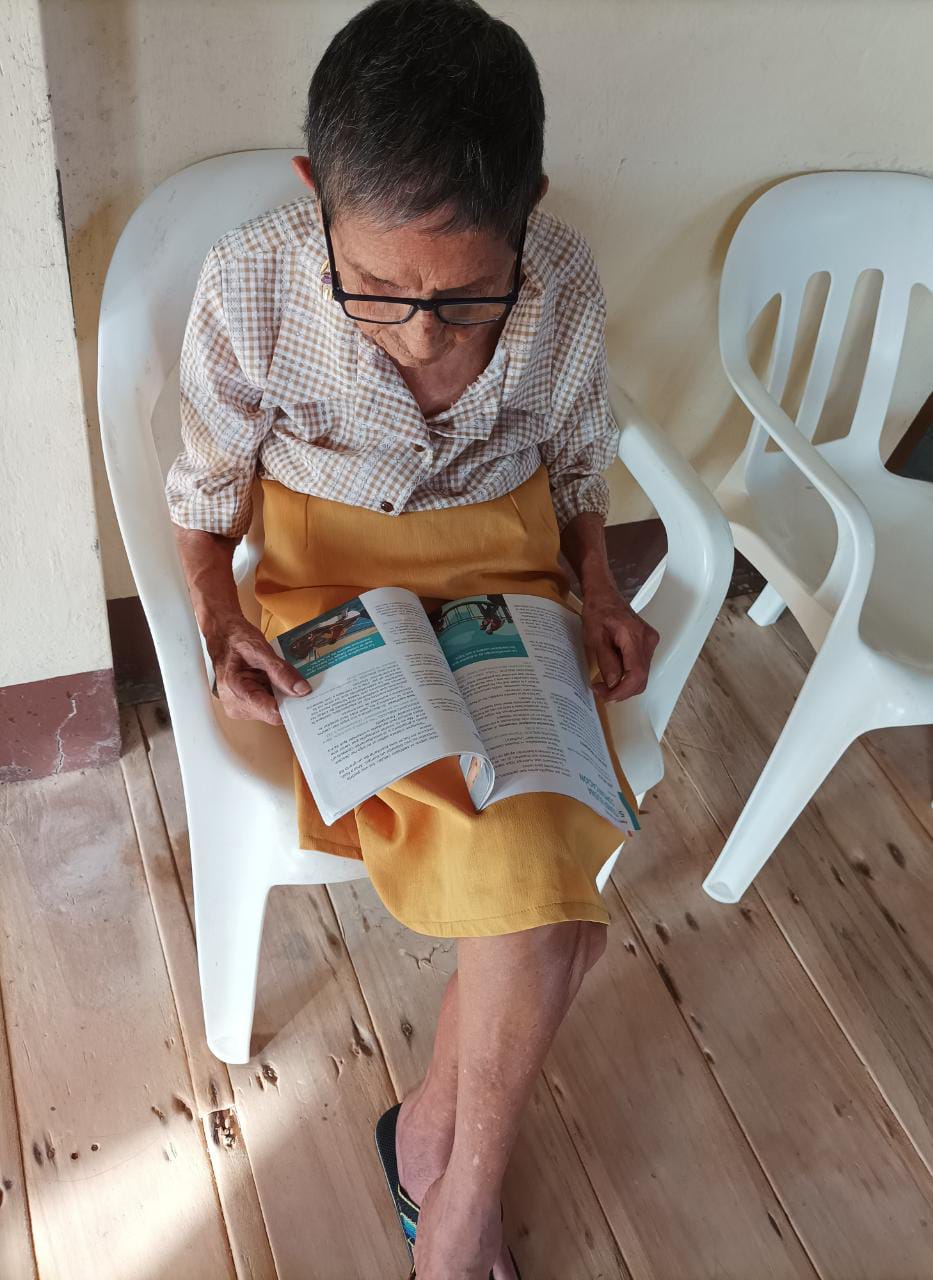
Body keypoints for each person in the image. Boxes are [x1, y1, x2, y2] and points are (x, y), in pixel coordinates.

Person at [165, 2, 659, 1276]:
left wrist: (600, 584)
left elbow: (579, 460)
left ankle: (436, 1154)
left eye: (466, 295)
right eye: (378, 288)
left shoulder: (563, 280)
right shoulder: (253, 281)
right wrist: (219, 618)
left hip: (506, 563)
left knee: (545, 881)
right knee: (557, 918)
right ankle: (454, 1211)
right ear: (314, 192)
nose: (425, 333)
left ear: (529, 208)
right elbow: (204, 501)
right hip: (328, 577)